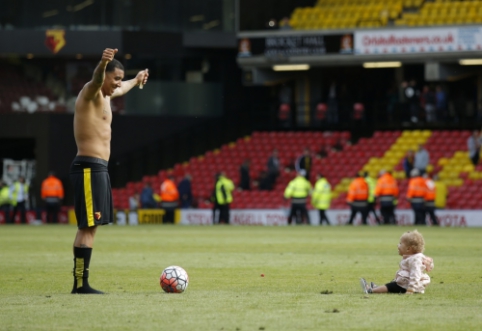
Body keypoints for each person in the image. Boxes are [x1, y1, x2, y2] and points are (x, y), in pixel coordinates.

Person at [69, 48, 149, 294]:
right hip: (88, 167)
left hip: (97, 168)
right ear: (105, 76)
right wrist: (103, 64)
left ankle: (82, 284)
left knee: (91, 227)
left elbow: (122, 87)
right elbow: (96, 79)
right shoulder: (91, 92)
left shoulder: (105, 97)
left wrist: (135, 81)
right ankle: (81, 285)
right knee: (87, 227)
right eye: (114, 78)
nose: (117, 84)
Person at [360, 230, 434, 294]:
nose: (398, 245)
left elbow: (415, 274)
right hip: (406, 283)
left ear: (408, 249)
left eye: (400, 244)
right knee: (393, 284)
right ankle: (376, 288)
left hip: (407, 286)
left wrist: (411, 289)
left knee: (391, 287)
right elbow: (427, 263)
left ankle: (371, 290)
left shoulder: (414, 260)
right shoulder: (415, 257)